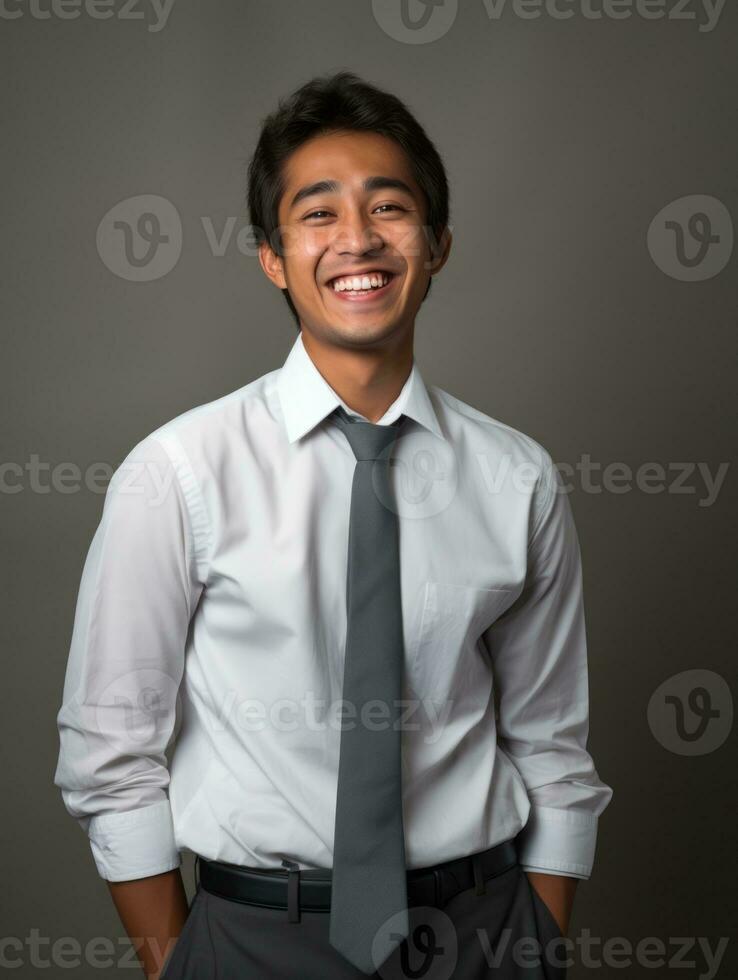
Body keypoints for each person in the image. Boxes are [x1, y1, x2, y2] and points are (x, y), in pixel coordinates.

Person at [54, 70, 613, 979]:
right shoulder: (179, 472)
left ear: (435, 245)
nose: (358, 239)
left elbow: (552, 744)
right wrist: (178, 962)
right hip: (254, 938)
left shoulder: (518, 478)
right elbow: (109, 751)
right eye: (318, 214)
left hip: (482, 932)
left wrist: (536, 943)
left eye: (389, 207)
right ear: (273, 256)